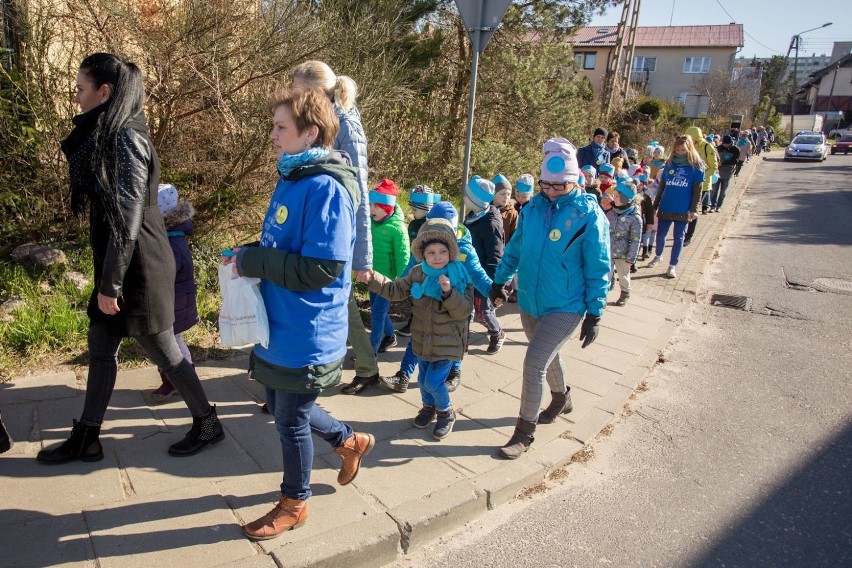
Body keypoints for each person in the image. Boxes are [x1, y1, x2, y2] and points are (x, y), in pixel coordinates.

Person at [38, 53, 222, 465]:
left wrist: (110, 284)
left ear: (104, 92)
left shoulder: (126, 138)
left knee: (165, 353)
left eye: (82, 90)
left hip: (139, 269)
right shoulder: (109, 134)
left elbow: (128, 214)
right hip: (121, 264)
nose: (77, 98)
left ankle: (208, 422)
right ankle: (87, 436)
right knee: (101, 347)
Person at [226, 87, 373, 540]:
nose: (271, 135)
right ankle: (349, 440)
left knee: (289, 417)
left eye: (280, 127)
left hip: (308, 327)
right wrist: (249, 253)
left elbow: (323, 268)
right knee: (278, 402)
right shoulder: (293, 174)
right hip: (283, 319)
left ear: (311, 132)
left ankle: (295, 503)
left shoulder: (325, 186)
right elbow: (286, 245)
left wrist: (254, 262)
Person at [489, 138, 610, 460]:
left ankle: (523, 433)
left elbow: (599, 266)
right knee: (547, 357)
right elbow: (515, 249)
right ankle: (562, 398)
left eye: (559, 186)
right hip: (530, 299)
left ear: (574, 181)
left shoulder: (588, 215)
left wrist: (595, 312)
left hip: (567, 304)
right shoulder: (532, 209)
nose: (551, 191)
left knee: (533, 363)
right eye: (546, 185)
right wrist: (499, 281)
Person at [291, 61, 381, 396]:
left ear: (316, 90)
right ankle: (348, 367)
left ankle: (364, 368)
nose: (294, 97)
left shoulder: (345, 123)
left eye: (298, 89)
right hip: (321, 224)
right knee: (334, 301)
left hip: (337, 230)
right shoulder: (323, 118)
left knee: (339, 301)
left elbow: (358, 190)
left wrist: (363, 258)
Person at [362, 219, 474, 440]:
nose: (437, 256)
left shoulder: (458, 275)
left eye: (443, 251)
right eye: (431, 252)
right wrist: (372, 277)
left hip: (448, 342)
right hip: (423, 340)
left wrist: (449, 292)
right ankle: (428, 407)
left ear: (451, 252)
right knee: (423, 381)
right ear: (422, 254)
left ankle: (446, 413)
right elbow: (394, 290)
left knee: (433, 382)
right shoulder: (417, 273)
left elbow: (464, 310)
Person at [379, 201, 492, 394]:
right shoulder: (427, 243)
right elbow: (412, 267)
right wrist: (399, 285)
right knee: (418, 339)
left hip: (456, 307)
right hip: (427, 303)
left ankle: (454, 372)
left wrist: (494, 292)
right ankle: (403, 375)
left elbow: (478, 275)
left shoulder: (464, 249)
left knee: (454, 342)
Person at [150, 183, 200, 400]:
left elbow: (164, 274)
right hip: (174, 301)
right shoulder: (171, 237)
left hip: (174, 303)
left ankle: (179, 380)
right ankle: (182, 379)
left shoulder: (171, 242)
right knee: (171, 342)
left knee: (170, 344)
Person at [646, 135, 704, 279]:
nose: (679, 152)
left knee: (679, 237)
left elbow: (698, 190)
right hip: (667, 205)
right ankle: (658, 256)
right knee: (660, 235)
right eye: (677, 150)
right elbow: (662, 186)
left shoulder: (696, 167)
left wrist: (694, 209)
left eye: (683, 150)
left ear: (689, 149)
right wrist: (655, 205)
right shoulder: (670, 164)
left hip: (683, 208)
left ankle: (672, 266)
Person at [464, 176, 506, 354]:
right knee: (466, 309)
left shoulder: (490, 224)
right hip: (469, 273)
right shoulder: (472, 216)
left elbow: (495, 255)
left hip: (484, 277)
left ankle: (497, 333)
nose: (464, 199)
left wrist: (494, 284)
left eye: (467, 196)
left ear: (476, 201)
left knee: (483, 312)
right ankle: (461, 341)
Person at [368, 178, 410, 353]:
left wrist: (403, 282)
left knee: (377, 315)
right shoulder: (370, 222)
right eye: (370, 205)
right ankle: (390, 336)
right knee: (378, 311)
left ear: (387, 207)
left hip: (388, 281)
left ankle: (370, 353)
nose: (371, 209)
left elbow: (403, 257)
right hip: (371, 276)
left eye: (376, 206)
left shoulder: (397, 229)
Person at [609, 178, 643, 306]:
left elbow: (636, 239)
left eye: (617, 196)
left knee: (623, 276)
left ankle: (625, 292)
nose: (614, 197)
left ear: (625, 199)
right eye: (614, 195)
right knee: (606, 272)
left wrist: (631, 257)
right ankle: (605, 289)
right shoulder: (612, 211)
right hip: (609, 249)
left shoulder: (634, 218)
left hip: (623, 254)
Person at [683, 126, 717, 244]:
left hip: (702, 184)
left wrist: (700, 178)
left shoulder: (707, 147)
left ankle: (689, 236)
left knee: (693, 209)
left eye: (690, 138)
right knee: (685, 208)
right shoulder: (687, 147)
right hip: (687, 183)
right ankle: (683, 231)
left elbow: (713, 167)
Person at [711, 135, 739, 212]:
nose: (725, 145)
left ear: (730, 143)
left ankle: (719, 206)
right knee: (714, 190)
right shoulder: (718, 148)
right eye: (724, 143)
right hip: (717, 172)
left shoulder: (735, 149)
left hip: (728, 173)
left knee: (723, 191)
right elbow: (714, 158)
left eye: (727, 144)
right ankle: (713, 205)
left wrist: (723, 163)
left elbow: (735, 161)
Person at [492, 174, 518, 245]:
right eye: (503, 194)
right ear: (493, 194)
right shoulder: (485, 210)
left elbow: (514, 237)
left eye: (509, 194)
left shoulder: (512, 213)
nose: (506, 197)